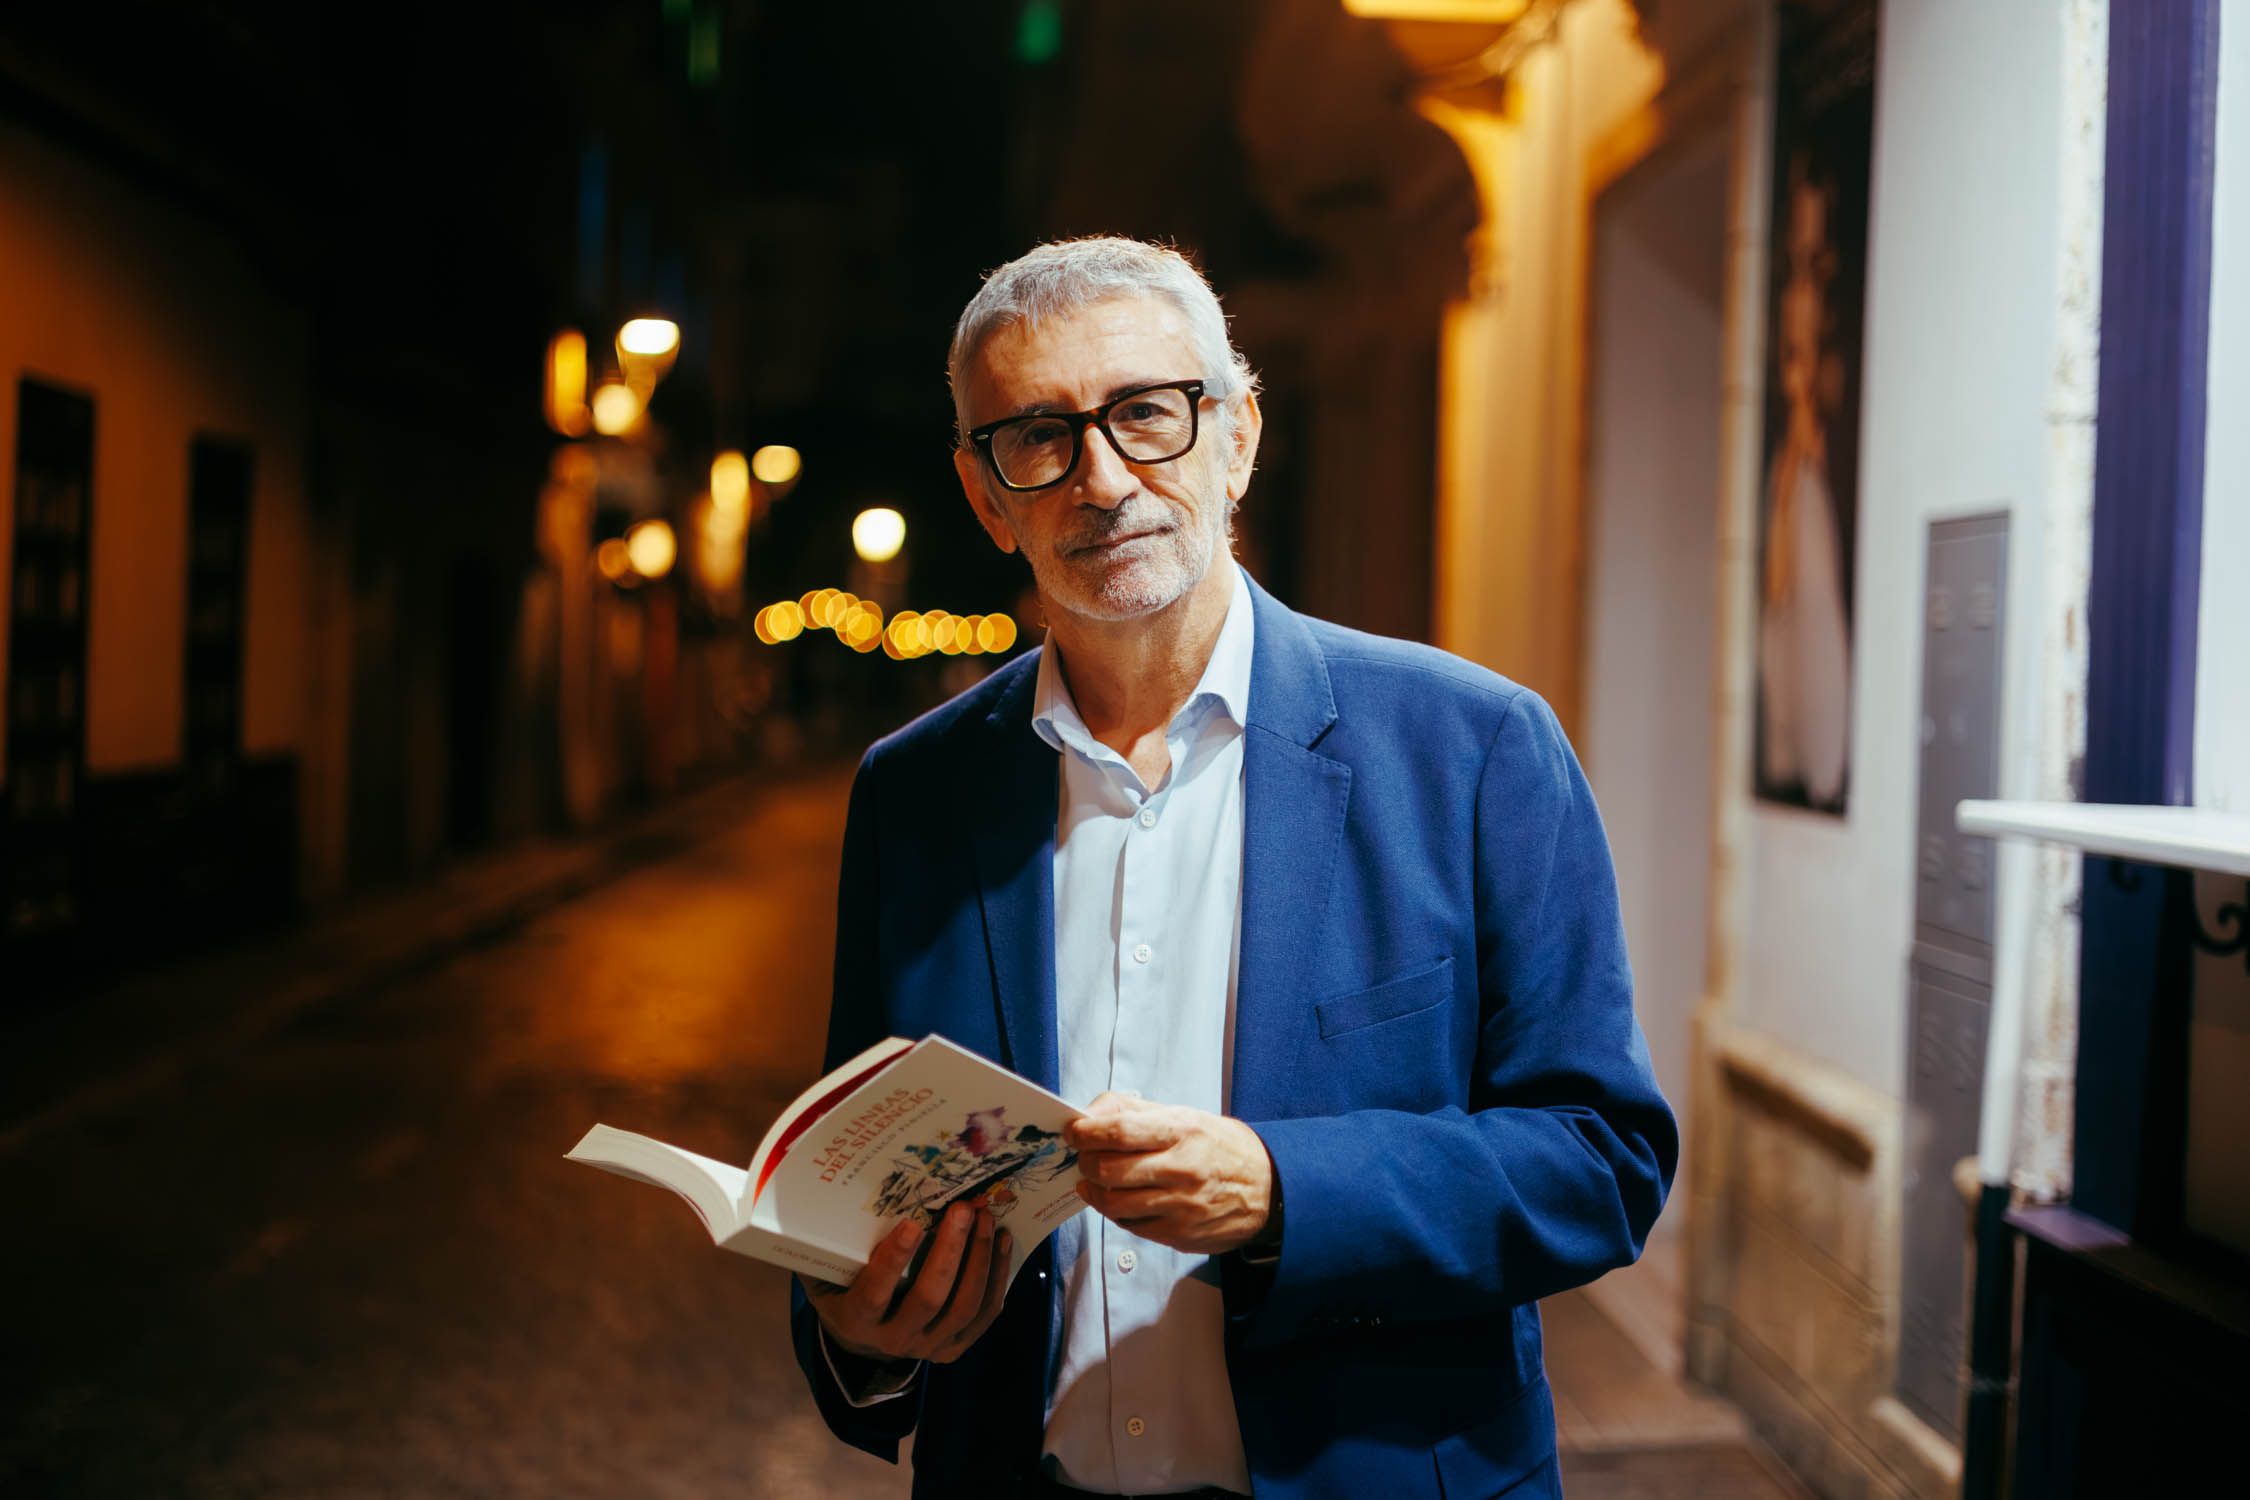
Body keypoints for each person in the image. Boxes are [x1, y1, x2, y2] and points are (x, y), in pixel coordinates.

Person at [789, 237, 1676, 1500]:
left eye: (1147, 413)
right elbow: (851, 1175)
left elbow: (1600, 1160)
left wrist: (1282, 1190)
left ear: (1238, 436)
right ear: (987, 499)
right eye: (1039, 437)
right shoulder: (914, 794)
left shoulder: (1474, 747)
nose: (1103, 480)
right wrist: (862, 1336)